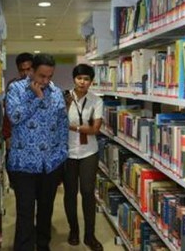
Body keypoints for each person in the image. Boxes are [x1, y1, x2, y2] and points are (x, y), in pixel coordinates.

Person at [6, 53, 68, 251]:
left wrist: (61, 156)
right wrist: (36, 98)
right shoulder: (15, 90)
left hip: (49, 165)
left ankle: (43, 245)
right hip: (23, 164)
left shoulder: (57, 92)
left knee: (45, 211)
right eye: (42, 76)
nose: (46, 81)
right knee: (25, 212)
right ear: (31, 70)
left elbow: (62, 126)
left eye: (50, 76)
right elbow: (14, 117)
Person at [63, 64, 104, 251]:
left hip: (89, 152)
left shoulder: (96, 100)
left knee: (88, 193)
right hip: (68, 153)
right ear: (74, 79)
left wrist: (74, 127)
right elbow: (57, 121)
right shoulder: (64, 98)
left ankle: (90, 235)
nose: (82, 82)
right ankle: (74, 231)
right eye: (79, 78)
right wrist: (67, 105)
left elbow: (95, 129)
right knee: (70, 194)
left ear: (91, 81)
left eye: (86, 79)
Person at [2, 53, 33, 189]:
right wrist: (8, 136)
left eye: (29, 69)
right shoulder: (13, 87)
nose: (25, 73)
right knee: (19, 183)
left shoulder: (44, 87)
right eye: (22, 70)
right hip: (17, 141)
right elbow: (8, 115)